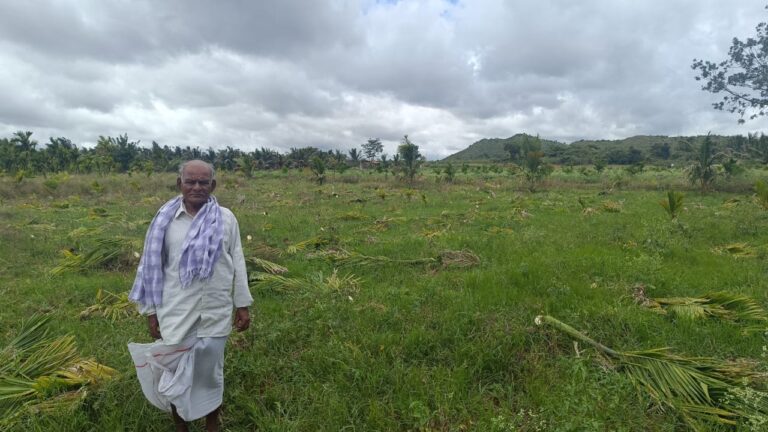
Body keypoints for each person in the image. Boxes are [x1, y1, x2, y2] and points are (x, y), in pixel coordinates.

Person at [127, 160, 252, 432]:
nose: (197, 187)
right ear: (179, 184)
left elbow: (238, 261)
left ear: (213, 186)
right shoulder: (165, 221)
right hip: (176, 310)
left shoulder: (227, 219)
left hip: (214, 312)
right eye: (190, 182)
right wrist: (150, 311)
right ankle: (181, 426)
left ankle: (211, 424)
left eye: (203, 182)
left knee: (210, 374)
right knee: (173, 371)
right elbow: (151, 266)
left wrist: (242, 304)